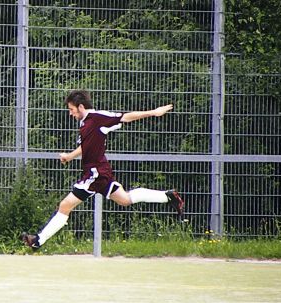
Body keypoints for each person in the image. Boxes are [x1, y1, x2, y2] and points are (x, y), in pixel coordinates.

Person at [21, 89, 184, 249]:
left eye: (71, 109)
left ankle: (38, 241)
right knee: (125, 200)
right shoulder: (84, 122)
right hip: (99, 172)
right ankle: (168, 196)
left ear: (81, 107)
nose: (70, 113)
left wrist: (154, 112)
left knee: (65, 205)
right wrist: (71, 156)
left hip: (95, 173)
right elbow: (86, 146)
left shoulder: (98, 118)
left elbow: (125, 117)